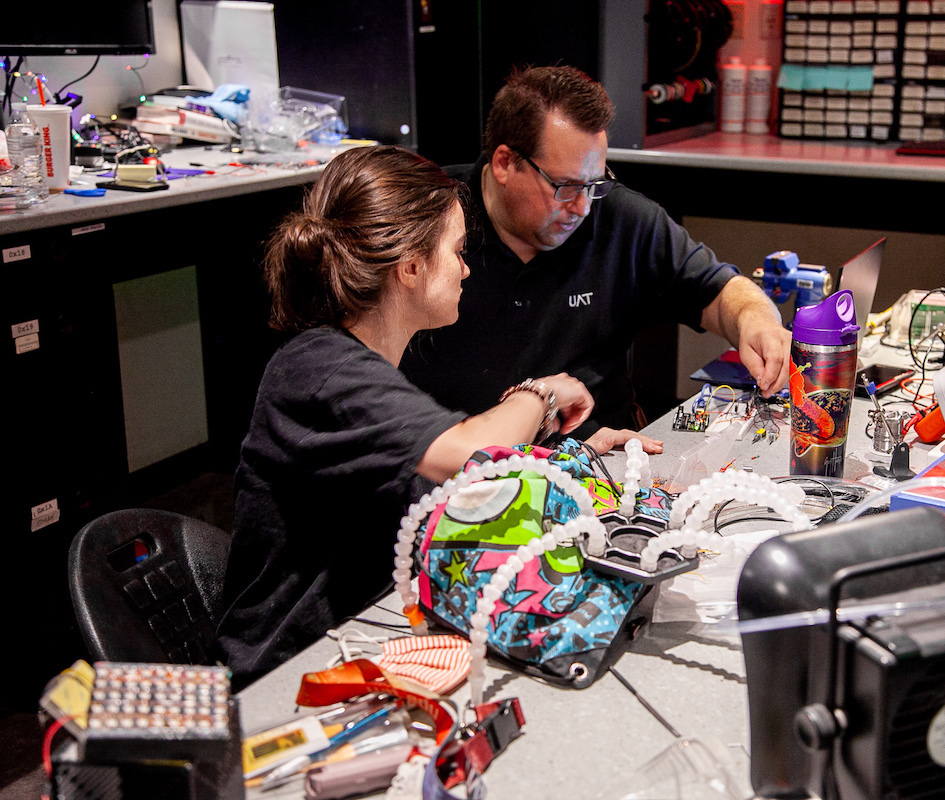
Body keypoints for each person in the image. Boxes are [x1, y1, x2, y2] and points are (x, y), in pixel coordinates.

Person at [216, 146, 597, 686]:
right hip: (289, 673)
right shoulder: (319, 369)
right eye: (458, 251)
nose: (466, 268)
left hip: (368, 636)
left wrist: (572, 461)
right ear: (411, 266)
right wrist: (543, 394)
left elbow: (435, 492)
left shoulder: (365, 363)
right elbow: (467, 455)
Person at [401, 65, 790, 442]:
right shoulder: (427, 220)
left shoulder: (620, 218)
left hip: (598, 455)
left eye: (595, 184)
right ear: (504, 163)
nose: (583, 207)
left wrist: (758, 323)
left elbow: (719, 289)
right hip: (456, 460)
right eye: (565, 186)